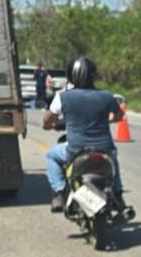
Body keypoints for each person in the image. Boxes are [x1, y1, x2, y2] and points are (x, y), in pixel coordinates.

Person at [42, 57, 126, 214]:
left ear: (71, 76)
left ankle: (60, 193)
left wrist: (50, 125)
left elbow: (47, 119)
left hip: (75, 151)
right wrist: (109, 119)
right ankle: (118, 195)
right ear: (94, 75)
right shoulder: (107, 96)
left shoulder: (63, 97)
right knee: (113, 158)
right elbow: (120, 116)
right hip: (104, 149)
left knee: (52, 156)